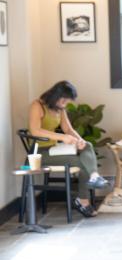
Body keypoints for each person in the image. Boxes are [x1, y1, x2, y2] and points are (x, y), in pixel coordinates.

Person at [28, 81, 109, 218]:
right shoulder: (37, 105)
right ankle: (83, 200)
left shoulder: (60, 109)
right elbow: (35, 131)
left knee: (87, 145)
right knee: (83, 163)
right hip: (40, 153)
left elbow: (68, 129)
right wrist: (61, 137)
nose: (65, 104)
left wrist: (79, 141)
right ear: (55, 95)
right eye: (63, 100)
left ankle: (94, 176)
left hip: (54, 149)